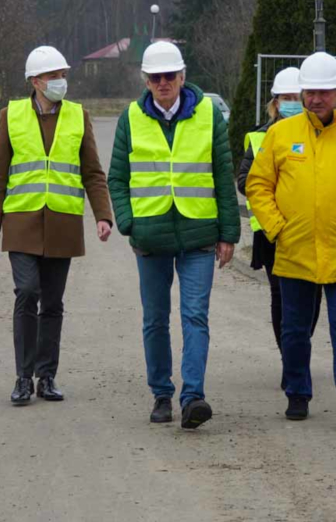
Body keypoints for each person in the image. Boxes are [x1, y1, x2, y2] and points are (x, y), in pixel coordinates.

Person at [245, 52, 336, 429]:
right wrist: (277, 228)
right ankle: (297, 393)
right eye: (310, 92)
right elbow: (257, 186)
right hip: (294, 251)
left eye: (323, 92)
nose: (315, 99)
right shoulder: (280, 134)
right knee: (295, 328)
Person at [107, 41, 240, 430]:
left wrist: (228, 232)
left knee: (195, 315)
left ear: (183, 77)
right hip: (151, 236)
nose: (163, 83)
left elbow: (222, 174)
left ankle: (193, 396)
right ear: (146, 81)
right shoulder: (130, 118)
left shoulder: (208, 115)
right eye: (155, 77)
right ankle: (162, 393)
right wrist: (129, 221)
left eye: (170, 76)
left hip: (199, 232)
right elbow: (117, 177)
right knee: (155, 319)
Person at [0, 46, 114, 406]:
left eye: (63, 75)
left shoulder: (78, 116)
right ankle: (23, 378)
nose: (61, 81)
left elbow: (92, 171)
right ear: (35, 81)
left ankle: (47, 377)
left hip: (63, 222)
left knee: (53, 302)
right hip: (22, 221)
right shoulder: (11, 116)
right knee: (27, 292)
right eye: (54, 76)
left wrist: (103, 215)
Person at [236, 67, 320, 389]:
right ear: (274, 103)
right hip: (272, 232)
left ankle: (297, 351)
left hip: (311, 228)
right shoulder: (259, 137)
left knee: (313, 297)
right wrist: (275, 201)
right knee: (280, 296)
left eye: (294, 98)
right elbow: (245, 180)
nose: (290, 104)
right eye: (284, 98)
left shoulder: (317, 133)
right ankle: (291, 360)